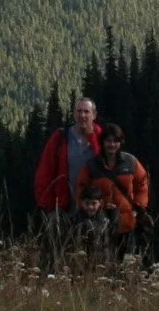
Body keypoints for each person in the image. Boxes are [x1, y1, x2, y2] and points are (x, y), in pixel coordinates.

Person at [33, 98, 103, 264]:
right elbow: (45, 171)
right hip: (63, 206)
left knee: (93, 251)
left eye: (86, 111)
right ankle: (51, 280)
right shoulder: (60, 137)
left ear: (94, 115)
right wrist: (48, 204)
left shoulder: (103, 138)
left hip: (94, 208)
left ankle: (90, 283)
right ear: (73, 113)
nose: (82, 115)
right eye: (79, 111)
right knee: (56, 249)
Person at [73, 123, 151, 260]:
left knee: (127, 264)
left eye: (116, 141)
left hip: (127, 224)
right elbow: (81, 188)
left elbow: (142, 183)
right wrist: (96, 207)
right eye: (108, 141)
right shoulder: (92, 165)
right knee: (104, 265)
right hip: (101, 227)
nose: (112, 145)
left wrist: (139, 206)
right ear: (102, 142)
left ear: (120, 143)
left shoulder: (131, 162)